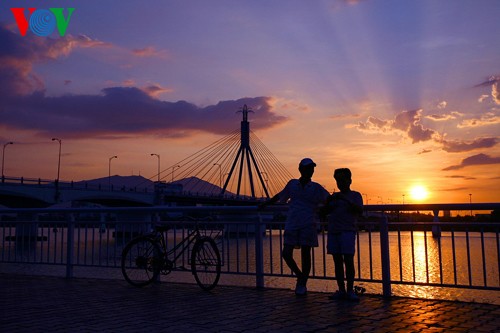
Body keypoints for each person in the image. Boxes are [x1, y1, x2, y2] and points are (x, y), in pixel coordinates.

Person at [260, 158, 329, 296]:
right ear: (301, 169)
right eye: (308, 168)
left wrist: (324, 210)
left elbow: (329, 199)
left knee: (306, 255)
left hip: (308, 223)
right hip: (292, 222)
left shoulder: (316, 187)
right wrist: (265, 204)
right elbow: (281, 195)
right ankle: (300, 276)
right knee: (286, 254)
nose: (311, 171)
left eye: (312, 168)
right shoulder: (292, 184)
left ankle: (302, 284)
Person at [326, 168, 363, 301]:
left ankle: (350, 290)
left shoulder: (355, 195)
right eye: (338, 180)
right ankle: (341, 290)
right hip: (333, 230)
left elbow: (359, 210)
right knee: (337, 262)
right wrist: (328, 201)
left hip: (347, 231)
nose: (340, 183)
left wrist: (345, 200)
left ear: (349, 180)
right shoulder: (334, 198)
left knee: (348, 260)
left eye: (342, 179)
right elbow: (324, 212)